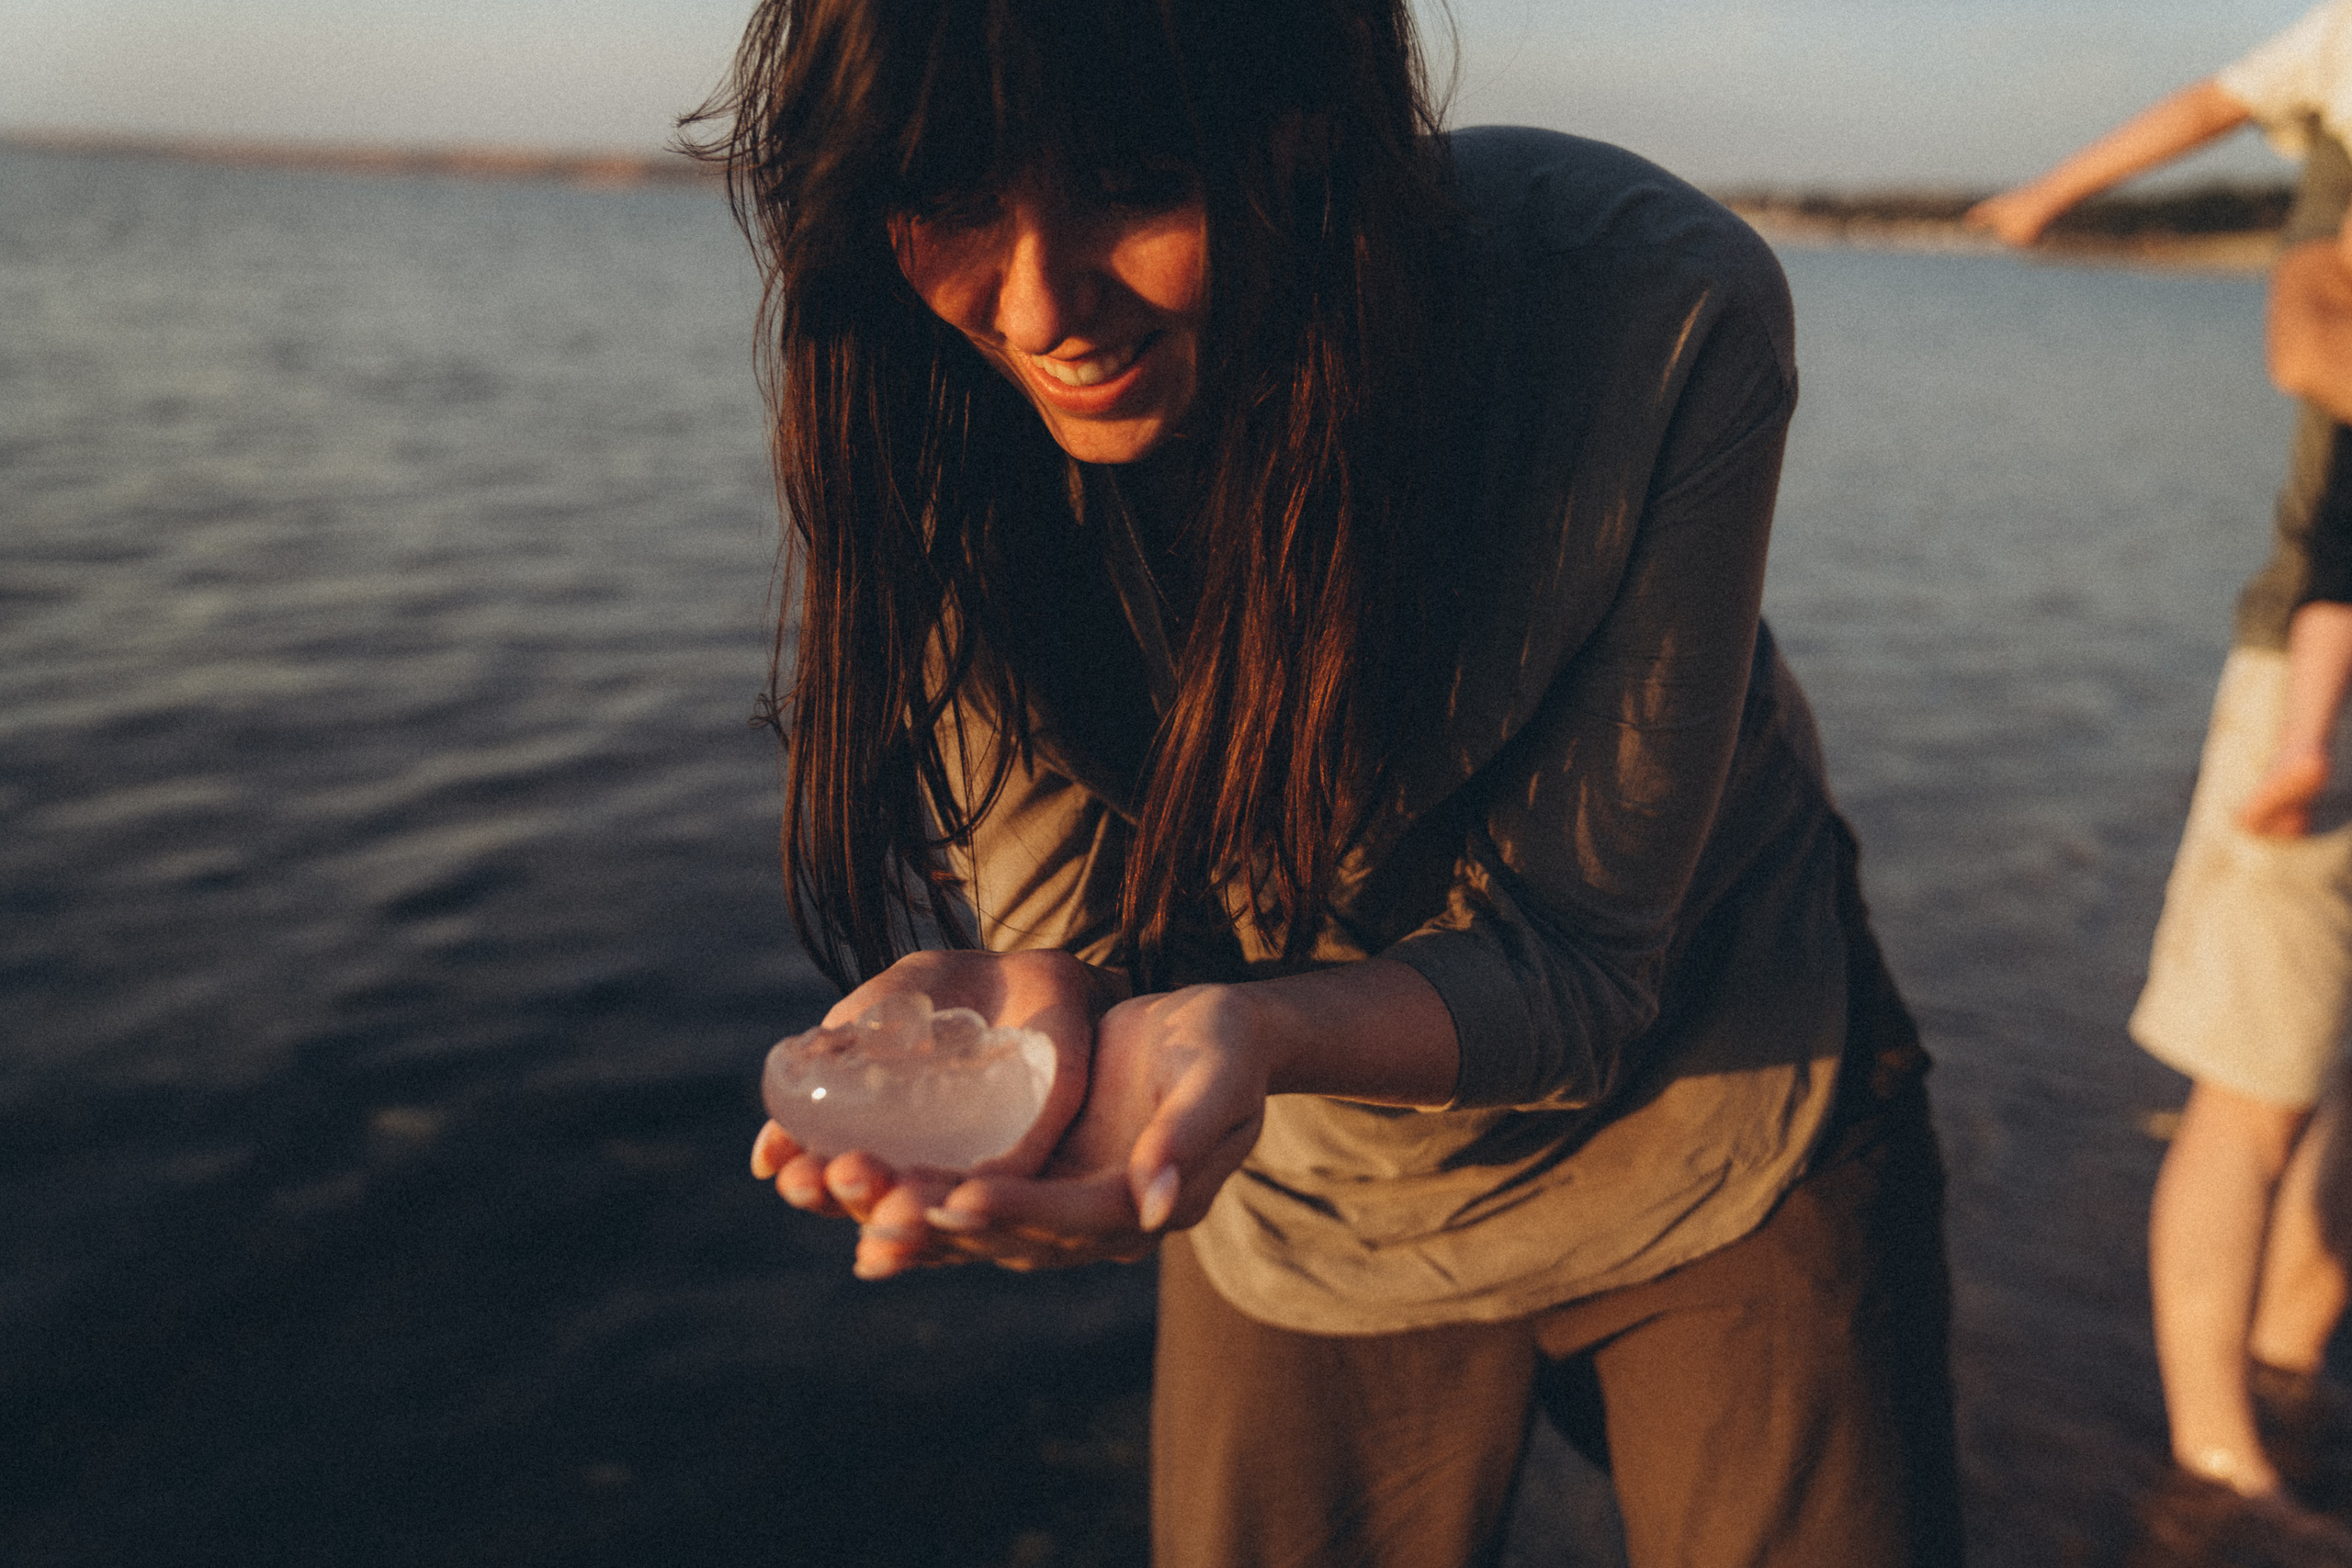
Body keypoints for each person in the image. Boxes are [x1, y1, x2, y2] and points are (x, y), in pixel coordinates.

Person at [695, 1, 1960, 1562]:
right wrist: (1053, 1011)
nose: (1036, 310)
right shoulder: (924, 397)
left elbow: (1579, 968)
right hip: (1306, 1191)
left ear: (1308, 130)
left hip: (1721, 1126)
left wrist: (1256, 1019)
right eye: (952, 199)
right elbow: (1081, 927)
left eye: (1131, 183)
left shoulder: (1647, 314)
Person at [1969, 4, 2352, 1505]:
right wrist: (2059, 192)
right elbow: (2207, 108)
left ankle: (2282, 1386)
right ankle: (2219, 1461)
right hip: (2320, 679)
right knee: (2256, 1091)